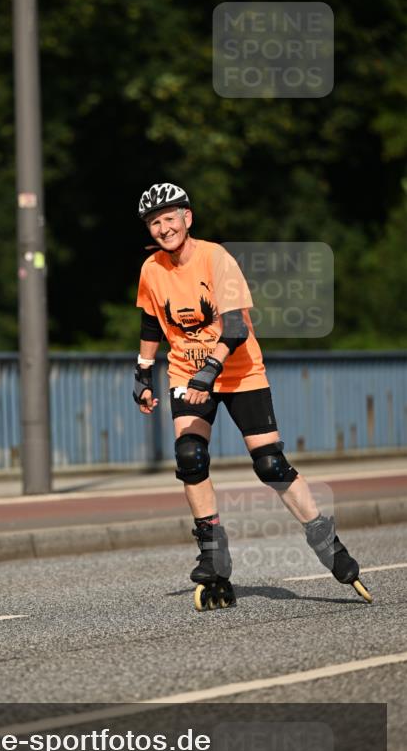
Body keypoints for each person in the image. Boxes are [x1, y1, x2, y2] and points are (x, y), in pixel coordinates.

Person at [133, 182, 372, 611]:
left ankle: (325, 539)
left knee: (270, 464)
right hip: (188, 372)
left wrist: (211, 369)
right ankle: (213, 555)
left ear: (187, 218)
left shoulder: (216, 257)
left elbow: (237, 328)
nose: (164, 228)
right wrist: (143, 372)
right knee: (190, 457)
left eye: (170, 218)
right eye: (155, 222)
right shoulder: (152, 269)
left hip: (240, 372)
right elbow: (152, 325)